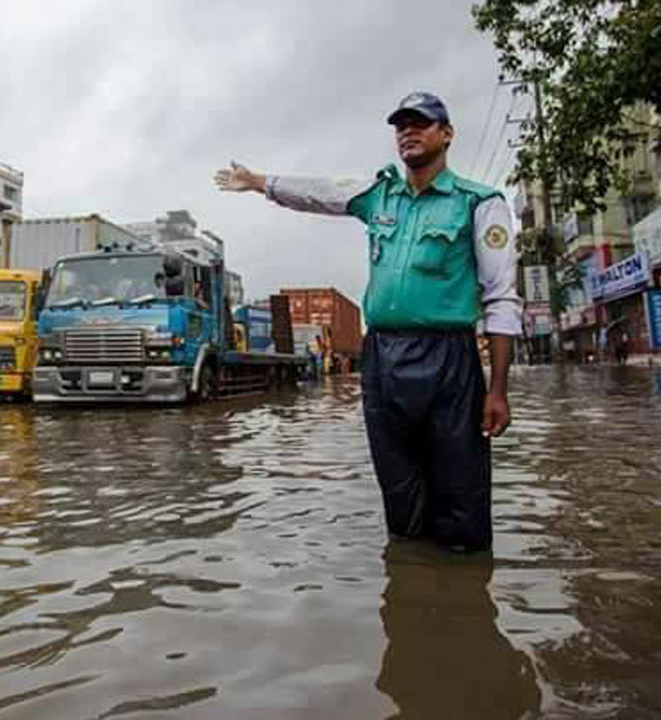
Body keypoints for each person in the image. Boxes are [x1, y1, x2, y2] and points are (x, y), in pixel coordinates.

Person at [214, 91, 522, 553]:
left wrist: (497, 389)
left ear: (447, 134)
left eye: (421, 123)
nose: (409, 132)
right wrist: (260, 181)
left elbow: (501, 299)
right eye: (401, 126)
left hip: (448, 360)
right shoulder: (378, 195)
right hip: (382, 359)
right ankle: (412, 590)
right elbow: (319, 192)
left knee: (461, 490)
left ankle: (464, 593)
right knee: (399, 487)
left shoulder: (479, 203)